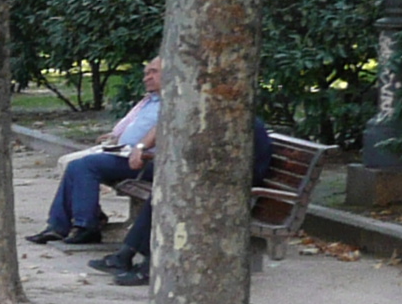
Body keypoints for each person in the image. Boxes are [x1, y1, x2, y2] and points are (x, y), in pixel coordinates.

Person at [89, 112, 278, 284]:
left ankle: (146, 267)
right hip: (224, 184)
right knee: (166, 193)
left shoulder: (235, 123)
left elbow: (235, 168)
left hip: (236, 190)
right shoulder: (228, 117)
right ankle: (125, 256)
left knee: (171, 197)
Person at [30, 59, 164, 246]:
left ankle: (87, 226)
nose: (146, 78)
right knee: (76, 165)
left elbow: (160, 128)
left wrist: (140, 148)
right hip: (125, 154)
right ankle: (58, 226)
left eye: (153, 72)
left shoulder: (173, 101)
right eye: (146, 73)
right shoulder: (150, 101)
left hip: (149, 162)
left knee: (86, 166)